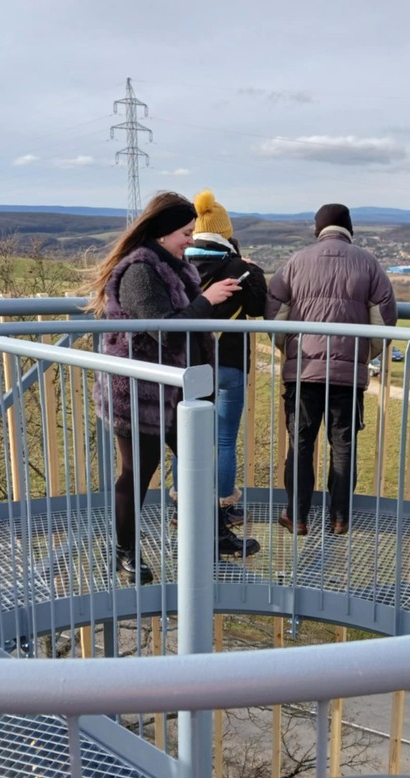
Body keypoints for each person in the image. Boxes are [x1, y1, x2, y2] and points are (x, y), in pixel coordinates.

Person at [90, 191, 260, 584]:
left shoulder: (172, 266)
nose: (190, 239)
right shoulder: (140, 271)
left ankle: (214, 536)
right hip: (139, 396)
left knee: (199, 464)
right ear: (164, 232)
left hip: (174, 393)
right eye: (186, 232)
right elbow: (164, 329)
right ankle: (125, 555)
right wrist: (208, 299)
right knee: (136, 474)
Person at [266, 204, 397, 536]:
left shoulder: (295, 262)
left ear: (318, 229)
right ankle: (339, 517)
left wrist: (289, 349)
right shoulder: (368, 263)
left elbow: (275, 315)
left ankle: (296, 516)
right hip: (346, 377)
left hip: (304, 372)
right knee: (343, 446)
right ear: (349, 229)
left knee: (301, 444)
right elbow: (385, 319)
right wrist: (363, 354)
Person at [171, 190, 268, 525]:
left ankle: (183, 506)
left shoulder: (178, 265)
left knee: (185, 437)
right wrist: (250, 268)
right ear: (226, 233)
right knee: (224, 438)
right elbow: (258, 307)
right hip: (230, 363)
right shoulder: (240, 268)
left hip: (188, 365)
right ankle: (224, 507)